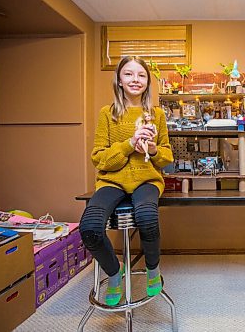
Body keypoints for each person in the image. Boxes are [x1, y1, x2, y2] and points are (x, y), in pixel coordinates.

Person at [79, 56, 173, 306]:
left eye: (141, 75)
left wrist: (152, 149)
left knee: (147, 218)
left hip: (146, 180)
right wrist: (130, 143)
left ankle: (153, 270)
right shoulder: (106, 114)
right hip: (112, 182)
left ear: (148, 81)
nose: (135, 79)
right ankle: (114, 272)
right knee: (89, 228)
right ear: (119, 80)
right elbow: (99, 160)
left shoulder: (157, 114)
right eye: (129, 74)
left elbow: (166, 158)